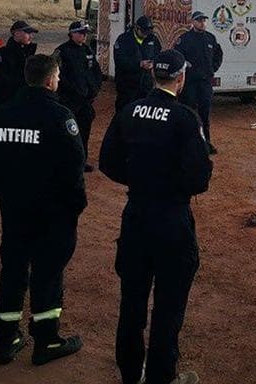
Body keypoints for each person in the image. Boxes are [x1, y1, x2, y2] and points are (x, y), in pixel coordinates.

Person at [100, 49, 212, 384]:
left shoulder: (130, 110)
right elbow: (199, 178)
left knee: (132, 304)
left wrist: (138, 180)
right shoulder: (186, 118)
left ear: (153, 75)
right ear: (181, 78)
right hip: (171, 220)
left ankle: (130, 374)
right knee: (168, 308)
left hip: (136, 216)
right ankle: (162, 377)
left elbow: (107, 161)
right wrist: (170, 186)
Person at [0, 53, 87, 366]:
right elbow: (74, 167)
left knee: (13, 270)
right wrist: (74, 206)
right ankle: (47, 340)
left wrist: (5, 193)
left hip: (14, 209)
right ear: (51, 80)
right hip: (52, 213)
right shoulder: (60, 116)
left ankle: (6, 338)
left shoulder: (2, 114)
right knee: (48, 273)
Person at [54, 20, 103, 172]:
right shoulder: (62, 51)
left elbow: (96, 71)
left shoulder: (87, 50)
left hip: (85, 101)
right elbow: (57, 75)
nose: (84, 36)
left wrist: (94, 89)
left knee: (84, 132)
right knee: (68, 132)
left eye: (85, 33)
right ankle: (66, 162)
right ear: (72, 34)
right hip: (69, 101)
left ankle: (81, 161)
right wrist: (72, 90)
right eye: (81, 33)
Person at [175, 11, 222, 154]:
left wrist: (213, 68)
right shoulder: (184, 39)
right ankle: (186, 144)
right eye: (199, 20)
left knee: (204, 115)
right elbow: (177, 56)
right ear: (193, 22)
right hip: (190, 83)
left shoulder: (210, 38)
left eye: (204, 20)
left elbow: (218, 54)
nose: (202, 23)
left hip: (205, 83)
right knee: (188, 114)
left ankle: (205, 143)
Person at [114, 15, 162, 111]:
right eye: (143, 32)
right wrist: (139, 64)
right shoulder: (123, 39)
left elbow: (158, 54)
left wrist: (153, 63)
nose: (145, 35)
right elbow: (120, 61)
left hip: (146, 85)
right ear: (136, 28)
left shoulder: (152, 39)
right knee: (125, 111)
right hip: (127, 85)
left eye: (147, 32)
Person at [0, 20, 40, 107]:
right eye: (27, 33)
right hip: (8, 101)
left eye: (31, 33)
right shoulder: (2, 54)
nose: (31, 36)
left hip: (26, 99)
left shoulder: (29, 53)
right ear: (16, 33)